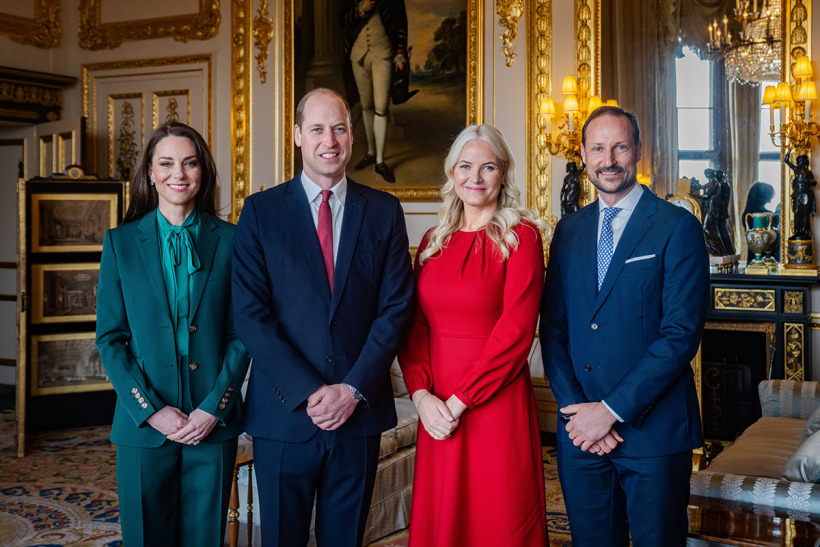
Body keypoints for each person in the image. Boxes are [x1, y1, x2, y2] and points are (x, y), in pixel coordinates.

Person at [231, 88, 414, 547]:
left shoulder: (384, 211)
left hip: (358, 414)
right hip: (284, 414)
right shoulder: (260, 212)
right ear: (297, 135)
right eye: (316, 129)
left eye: (338, 128)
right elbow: (252, 315)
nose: (328, 140)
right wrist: (312, 392)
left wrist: (351, 390)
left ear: (352, 135)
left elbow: (395, 309)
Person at [540, 106, 709, 546]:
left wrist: (609, 412)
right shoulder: (568, 232)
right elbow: (553, 330)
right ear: (582, 154)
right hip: (581, 437)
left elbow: (679, 336)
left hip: (653, 435)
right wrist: (580, 414)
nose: (608, 159)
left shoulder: (677, 227)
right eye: (597, 148)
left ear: (637, 149)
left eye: (619, 146)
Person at [96, 122, 250, 547]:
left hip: (211, 419)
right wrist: (150, 410)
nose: (177, 173)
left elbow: (243, 335)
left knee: (205, 539)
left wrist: (213, 408)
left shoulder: (234, 240)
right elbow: (110, 338)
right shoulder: (121, 243)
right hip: (144, 422)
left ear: (203, 172)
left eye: (189, 162)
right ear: (149, 171)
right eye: (165, 163)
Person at [398, 124, 549, 546]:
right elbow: (414, 327)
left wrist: (459, 400)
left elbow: (516, 333)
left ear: (503, 172)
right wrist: (422, 397)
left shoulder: (521, 237)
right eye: (465, 166)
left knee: (496, 518)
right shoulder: (432, 241)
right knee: (445, 516)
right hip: (437, 408)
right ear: (451, 173)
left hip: (492, 404)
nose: (475, 178)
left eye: (488, 167)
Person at [341, 0, 410, 183]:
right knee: (366, 105)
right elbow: (343, 20)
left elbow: (401, 21)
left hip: (383, 52)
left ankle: (380, 160)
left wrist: (400, 53)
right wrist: (360, 10)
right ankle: (371, 153)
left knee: (381, 106)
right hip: (358, 54)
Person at [785, 149, 816, 240]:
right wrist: (790, 149)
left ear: (805, 162)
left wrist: (808, 181)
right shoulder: (796, 169)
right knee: (797, 212)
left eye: (802, 161)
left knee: (805, 213)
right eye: (799, 161)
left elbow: (814, 183)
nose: (800, 162)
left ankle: (805, 232)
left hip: (806, 194)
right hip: (797, 194)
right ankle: (797, 231)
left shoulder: (809, 173)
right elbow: (786, 160)